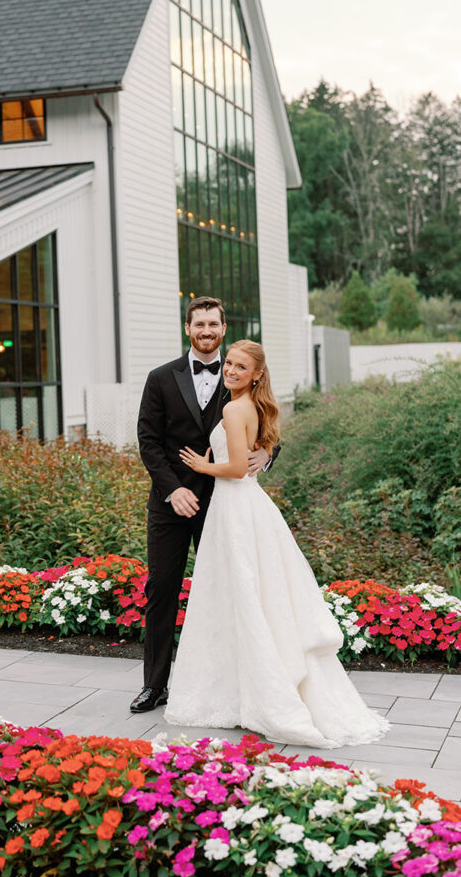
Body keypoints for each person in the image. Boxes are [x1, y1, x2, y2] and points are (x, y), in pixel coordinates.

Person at [164, 339, 389, 748]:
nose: (230, 370)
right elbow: (250, 455)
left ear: (256, 374)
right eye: (229, 363)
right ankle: (244, 689)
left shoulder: (234, 408)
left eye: (239, 367)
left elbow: (234, 468)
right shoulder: (251, 406)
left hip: (235, 506)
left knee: (244, 596)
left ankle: (259, 693)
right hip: (246, 506)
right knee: (251, 595)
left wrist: (201, 465)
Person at [132, 297, 271, 713]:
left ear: (223, 328)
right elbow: (148, 441)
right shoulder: (160, 378)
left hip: (224, 503)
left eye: (213, 323)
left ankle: (230, 686)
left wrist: (267, 455)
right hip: (171, 503)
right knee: (162, 590)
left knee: (229, 592)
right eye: (199, 324)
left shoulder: (241, 382)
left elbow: (266, 428)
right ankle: (154, 686)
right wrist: (173, 489)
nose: (206, 330)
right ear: (187, 328)